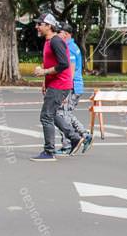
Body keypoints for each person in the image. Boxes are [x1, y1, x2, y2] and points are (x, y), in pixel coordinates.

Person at [32, 13, 84, 162]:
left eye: (39, 24)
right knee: (52, 114)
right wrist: (45, 81)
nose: (37, 27)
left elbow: (63, 64)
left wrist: (44, 72)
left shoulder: (56, 41)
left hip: (60, 85)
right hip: (55, 84)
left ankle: (49, 152)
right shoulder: (49, 41)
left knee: (46, 116)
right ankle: (74, 138)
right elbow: (51, 63)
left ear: (48, 25)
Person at [57, 23, 93, 155]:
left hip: (71, 87)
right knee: (67, 114)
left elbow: (70, 71)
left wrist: (64, 89)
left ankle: (67, 145)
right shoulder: (71, 46)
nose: (57, 35)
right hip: (75, 86)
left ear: (66, 34)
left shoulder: (69, 48)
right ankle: (85, 135)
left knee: (62, 115)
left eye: (59, 32)